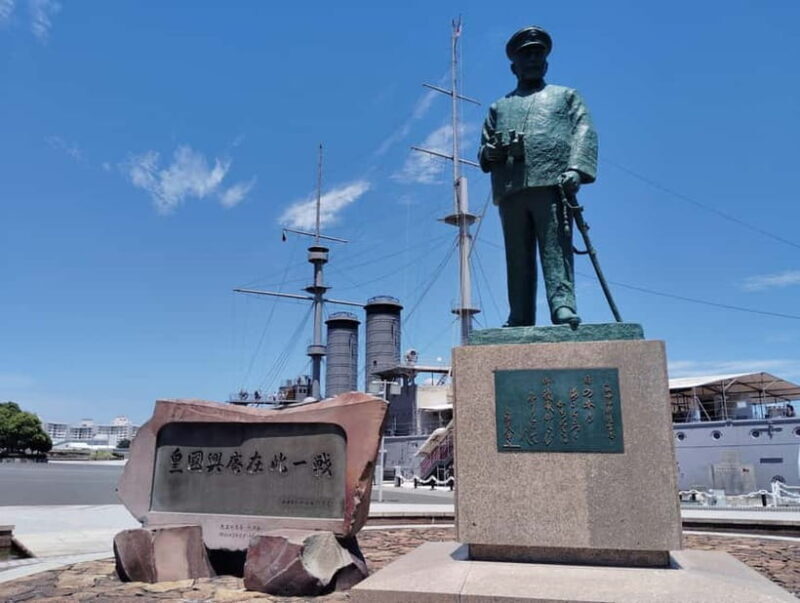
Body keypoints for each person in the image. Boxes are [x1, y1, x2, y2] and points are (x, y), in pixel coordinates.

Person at [479, 26, 598, 328]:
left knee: (556, 248)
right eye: (526, 55)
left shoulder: (565, 96)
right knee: (517, 256)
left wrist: (576, 169)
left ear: (545, 63)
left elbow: (584, 132)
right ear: (513, 67)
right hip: (511, 188)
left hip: (551, 183)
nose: (532, 59)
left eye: (537, 54)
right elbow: (483, 150)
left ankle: (562, 305)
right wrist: (490, 153)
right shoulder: (499, 107)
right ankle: (520, 313)